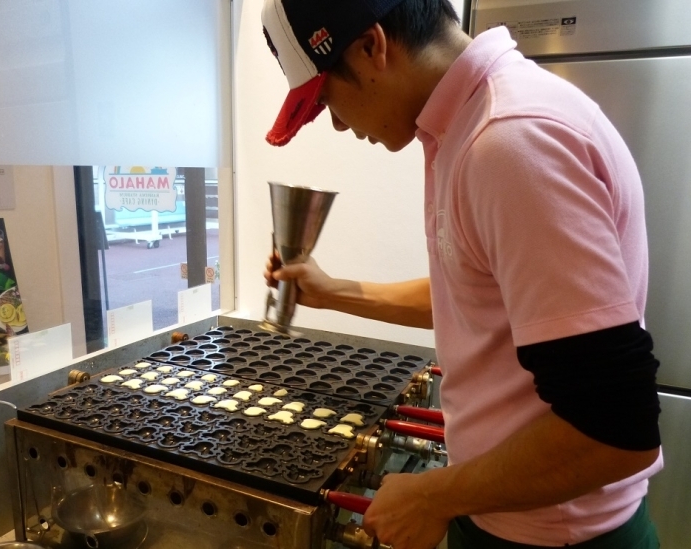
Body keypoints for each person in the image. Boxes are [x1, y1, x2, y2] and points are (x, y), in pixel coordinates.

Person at [260, 1, 663, 548]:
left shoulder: (509, 142)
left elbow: (614, 427)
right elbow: (485, 297)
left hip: (554, 535)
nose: (336, 122)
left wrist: (432, 496)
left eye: (328, 98)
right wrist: (334, 294)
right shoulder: (468, 126)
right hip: (507, 509)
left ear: (373, 46)